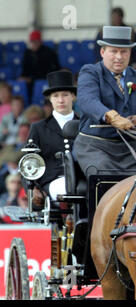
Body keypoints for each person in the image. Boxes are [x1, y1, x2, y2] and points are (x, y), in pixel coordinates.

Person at [73, 26, 136, 179]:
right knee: (104, 178)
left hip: (132, 148)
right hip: (95, 147)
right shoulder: (90, 72)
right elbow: (87, 100)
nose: (119, 57)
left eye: (124, 51)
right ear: (102, 52)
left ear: (130, 53)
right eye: (114, 51)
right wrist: (112, 117)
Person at [25, 70, 79, 206]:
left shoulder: (84, 125)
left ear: (73, 96)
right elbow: (29, 162)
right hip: (51, 182)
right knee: (67, 190)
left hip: (81, 179)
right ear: (50, 99)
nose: (61, 100)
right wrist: (32, 188)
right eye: (56, 96)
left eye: (65, 95)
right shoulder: (38, 128)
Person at [19, 30, 60, 97]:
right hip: (31, 82)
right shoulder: (27, 53)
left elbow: (52, 70)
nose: (34, 44)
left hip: (45, 80)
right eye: (32, 42)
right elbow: (25, 70)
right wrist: (23, 77)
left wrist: (31, 79)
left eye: (36, 41)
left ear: (40, 42)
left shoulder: (48, 52)